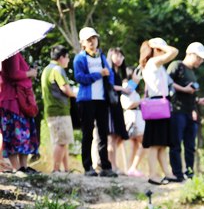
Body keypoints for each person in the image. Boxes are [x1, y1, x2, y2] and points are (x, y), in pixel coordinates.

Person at [73, 27, 118, 177]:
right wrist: (98, 74)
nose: (92, 42)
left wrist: (107, 79)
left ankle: (105, 165)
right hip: (86, 100)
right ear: (83, 43)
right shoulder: (79, 58)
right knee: (88, 134)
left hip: (102, 100)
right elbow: (80, 78)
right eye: (89, 39)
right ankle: (88, 166)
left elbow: (110, 74)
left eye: (94, 38)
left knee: (103, 133)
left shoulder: (102, 56)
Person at [167, 42, 204, 181]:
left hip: (190, 112)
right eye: (199, 58)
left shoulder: (192, 72)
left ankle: (190, 173)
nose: (201, 61)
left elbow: (190, 93)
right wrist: (183, 89)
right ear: (191, 54)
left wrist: (198, 100)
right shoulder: (177, 66)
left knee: (190, 146)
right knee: (176, 144)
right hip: (176, 110)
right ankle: (177, 174)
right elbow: (166, 82)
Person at [139, 37, 179, 185]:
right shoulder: (152, 62)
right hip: (157, 105)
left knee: (162, 144)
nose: (163, 51)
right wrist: (156, 45)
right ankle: (153, 175)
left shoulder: (157, 65)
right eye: (160, 49)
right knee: (155, 144)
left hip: (162, 105)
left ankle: (167, 173)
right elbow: (174, 51)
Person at [0, 52, 40, 173]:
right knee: (14, 135)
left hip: (19, 101)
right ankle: (17, 168)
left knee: (24, 135)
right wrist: (30, 73)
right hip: (12, 100)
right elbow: (14, 74)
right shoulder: (11, 53)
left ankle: (24, 167)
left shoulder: (15, 53)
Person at [40, 45, 77, 173]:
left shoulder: (46, 70)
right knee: (60, 141)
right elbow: (65, 89)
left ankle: (66, 170)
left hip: (51, 110)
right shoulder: (57, 69)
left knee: (63, 140)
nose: (68, 60)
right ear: (61, 57)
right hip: (59, 110)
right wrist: (76, 94)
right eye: (67, 57)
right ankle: (56, 170)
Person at [106, 47, 130, 173]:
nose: (120, 58)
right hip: (110, 106)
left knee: (116, 137)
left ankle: (114, 165)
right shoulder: (109, 71)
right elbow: (108, 86)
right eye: (117, 56)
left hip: (118, 106)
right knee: (111, 137)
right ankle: (111, 166)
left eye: (121, 56)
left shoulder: (118, 73)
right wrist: (121, 88)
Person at [120, 66, 145, 177]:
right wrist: (141, 101)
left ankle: (131, 168)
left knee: (135, 144)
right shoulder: (127, 86)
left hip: (136, 116)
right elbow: (127, 104)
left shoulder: (132, 87)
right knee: (144, 143)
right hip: (132, 116)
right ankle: (132, 167)